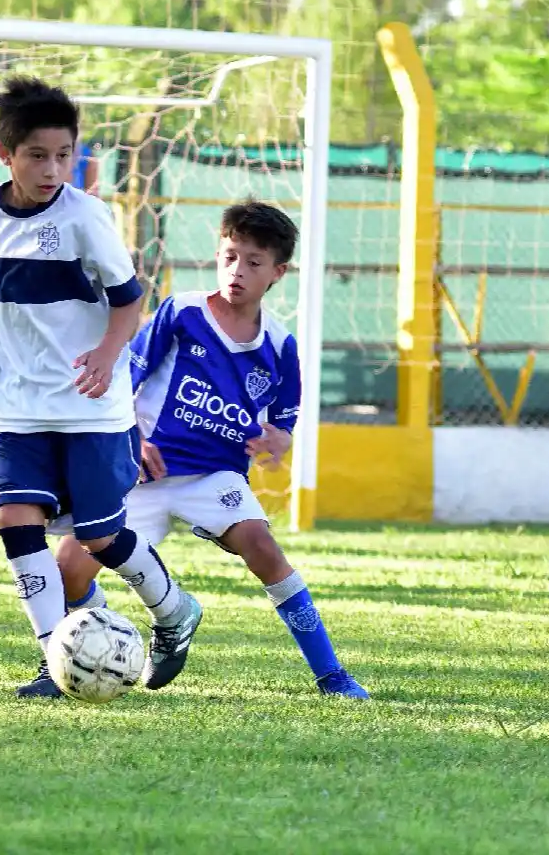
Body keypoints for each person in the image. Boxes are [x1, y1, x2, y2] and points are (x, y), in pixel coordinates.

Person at [0, 76, 202, 699]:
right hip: (20, 401)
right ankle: (55, 660)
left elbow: (130, 299)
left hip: (93, 405)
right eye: (38, 155)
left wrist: (105, 352)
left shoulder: (85, 217)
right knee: (15, 519)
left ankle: (175, 609)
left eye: (64, 155)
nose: (53, 169)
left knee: (98, 537)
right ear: (5, 156)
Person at [54, 201, 369, 699]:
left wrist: (280, 440)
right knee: (67, 574)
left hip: (214, 478)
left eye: (253, 262)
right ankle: (114, 641)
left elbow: (284, 421)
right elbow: (125, 379)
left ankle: (332, 675)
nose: (237, 271)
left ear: (277, 273)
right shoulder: (182, 313)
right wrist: (130, 439)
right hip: (146, 473)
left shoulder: (281, 347)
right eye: (229, 256)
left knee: (263, 548)